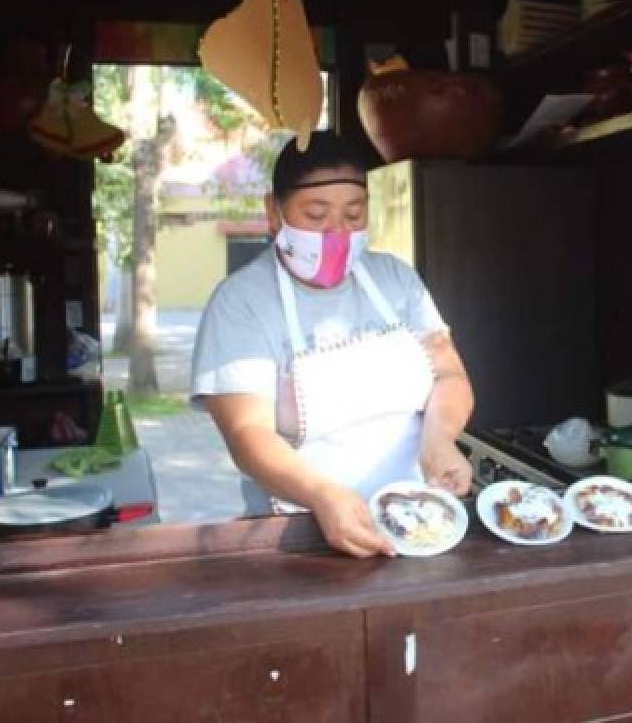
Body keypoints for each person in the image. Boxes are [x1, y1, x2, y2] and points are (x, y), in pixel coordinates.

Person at [190, 133, 474, 558]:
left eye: (354, 214)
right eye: (317, 214)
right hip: (300, 530)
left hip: (418, 516)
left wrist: (440, 438)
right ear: (274, 211)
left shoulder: (395, 279)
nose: (338, 232)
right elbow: (247, 432)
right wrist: (322, 494)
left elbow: (449, 374)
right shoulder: (242, 302)